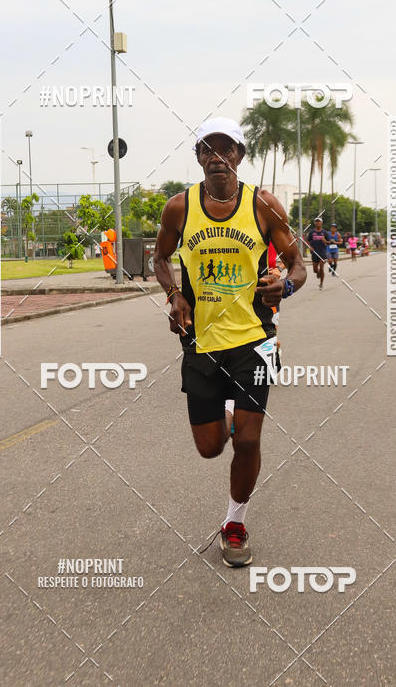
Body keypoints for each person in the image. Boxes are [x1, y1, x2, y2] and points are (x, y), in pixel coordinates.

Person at [153, 117, 306, 568]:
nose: (217, 158)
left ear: (239, 154)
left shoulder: (263, 205)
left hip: (255, 340)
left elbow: (296, 264)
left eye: (226, 149)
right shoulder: (179, 208)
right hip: (201, 342)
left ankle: (234, 523)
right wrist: (174, 294)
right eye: (207, 149)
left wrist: (288, 287)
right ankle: (226, 412)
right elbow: (160, 257)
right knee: (210, 447)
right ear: (198, 158)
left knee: (248, 440)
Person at [305, 217, 331, 288]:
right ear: (314, 223)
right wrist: (310, 246)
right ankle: (318, 273)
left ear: (321, 223)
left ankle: (321, 283)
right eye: (316, 221)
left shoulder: (325, 232)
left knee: (322, 267)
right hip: (314, 252)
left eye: (319, 221)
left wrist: (325, 241)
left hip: (322, 252)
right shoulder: (312, 232)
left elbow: (329, 242)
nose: (317, 223)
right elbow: (307, 241)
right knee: (315, 270)